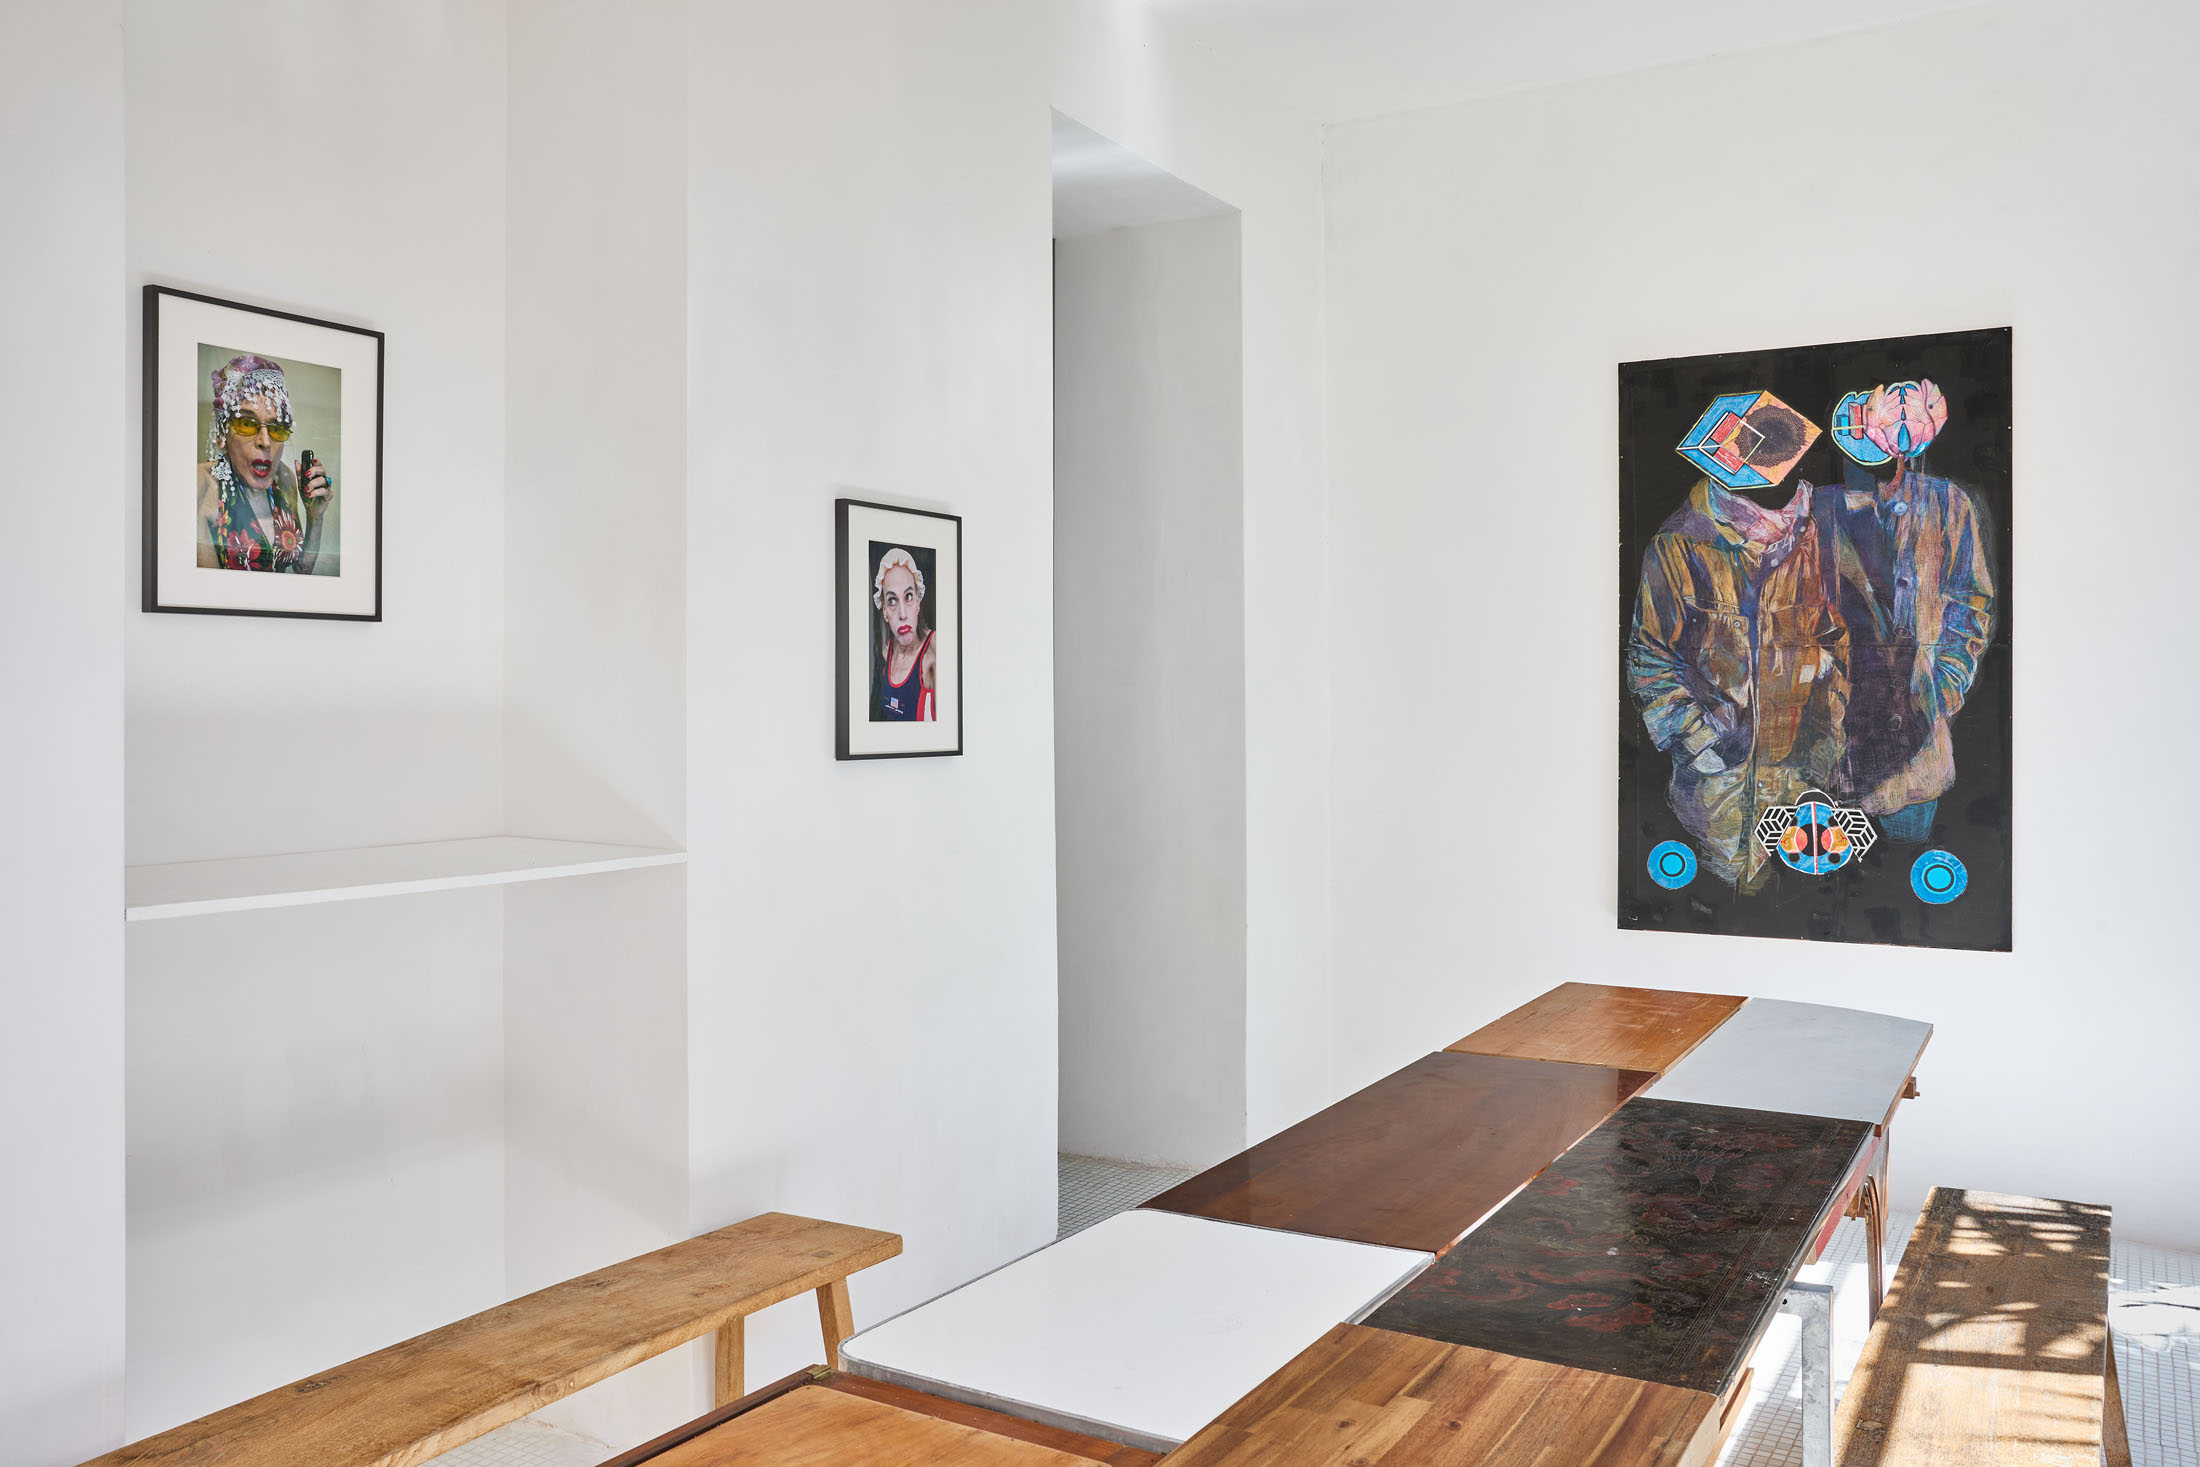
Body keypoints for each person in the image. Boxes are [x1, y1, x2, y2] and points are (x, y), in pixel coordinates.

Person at [1627, 381, 1995, 889]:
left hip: (1902, 763)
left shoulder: (1937, 507)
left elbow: (1967, 609)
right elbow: (1653, 657)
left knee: (1885, 885)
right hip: (1761, 795)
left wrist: (1938, 693)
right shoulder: (1781, 523)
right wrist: (1706, 742)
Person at [196, 354, 334, 573]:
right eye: (247, 424)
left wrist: (315, 517)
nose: (265, 442)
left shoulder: (285, 479)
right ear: (222, 434)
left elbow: (302, 569)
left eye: (276, 428)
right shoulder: (201, 485)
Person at [872, 547, 936, 721]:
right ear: (885, 611)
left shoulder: (934, 649)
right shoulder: (887, 651)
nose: (902, 614)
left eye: (908, 596)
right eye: (892, 601)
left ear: (917, 602)